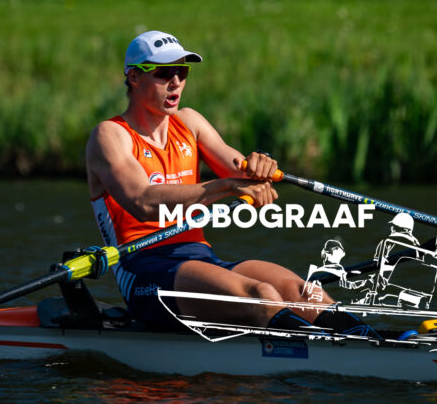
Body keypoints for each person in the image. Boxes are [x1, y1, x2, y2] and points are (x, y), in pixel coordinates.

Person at [86, 30, 370, 335]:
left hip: (201, 259)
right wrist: (225, 186)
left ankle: (368, 340)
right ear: (134, 77)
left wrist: (260, 165)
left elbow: (240, 171)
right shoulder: (110, 135)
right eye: (164, 73)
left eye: (182, 71)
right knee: (262, 295)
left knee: (302, 291)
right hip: (144, 272)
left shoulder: (189, 122)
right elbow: (141, 201)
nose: (176, 82)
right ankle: (318, 348)